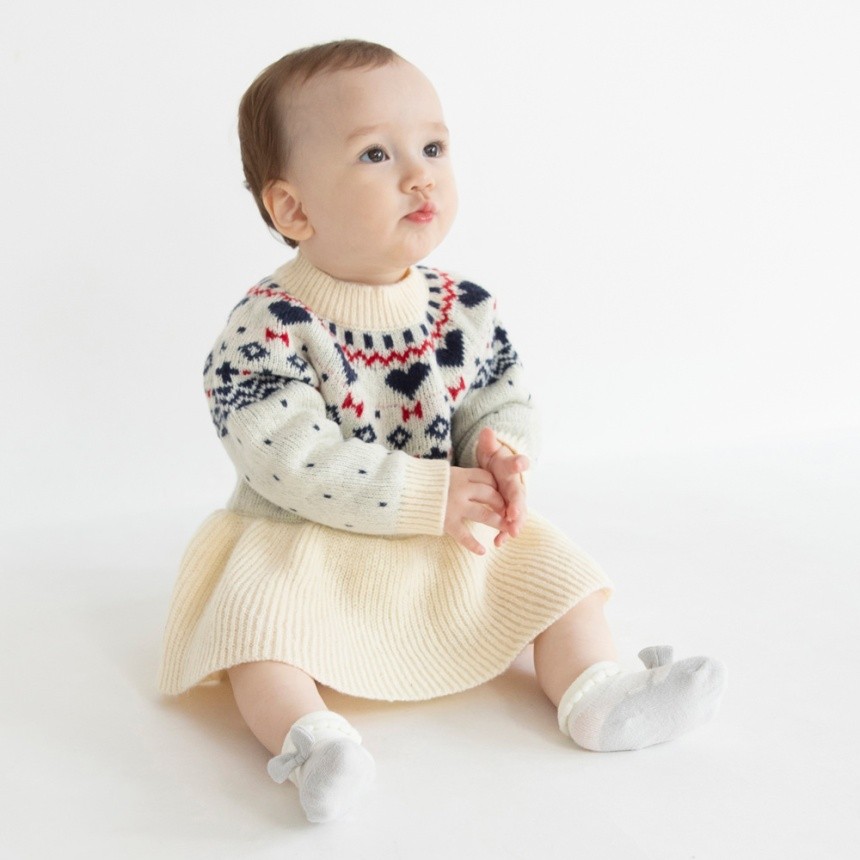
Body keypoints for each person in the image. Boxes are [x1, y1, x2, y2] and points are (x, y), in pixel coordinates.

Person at [158, 39, 726, 824]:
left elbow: (499, 394)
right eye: (376, 154)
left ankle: (600, 693)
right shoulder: (270, 327)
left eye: (433, 147)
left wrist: (498, 451)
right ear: (293, 209)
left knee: (554, 577)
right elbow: (289, 456)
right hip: (308, 539)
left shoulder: (464, 308)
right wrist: (426, 492)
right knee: (260, 633)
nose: (420, 175)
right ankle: (315, 743)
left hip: (442, 530)